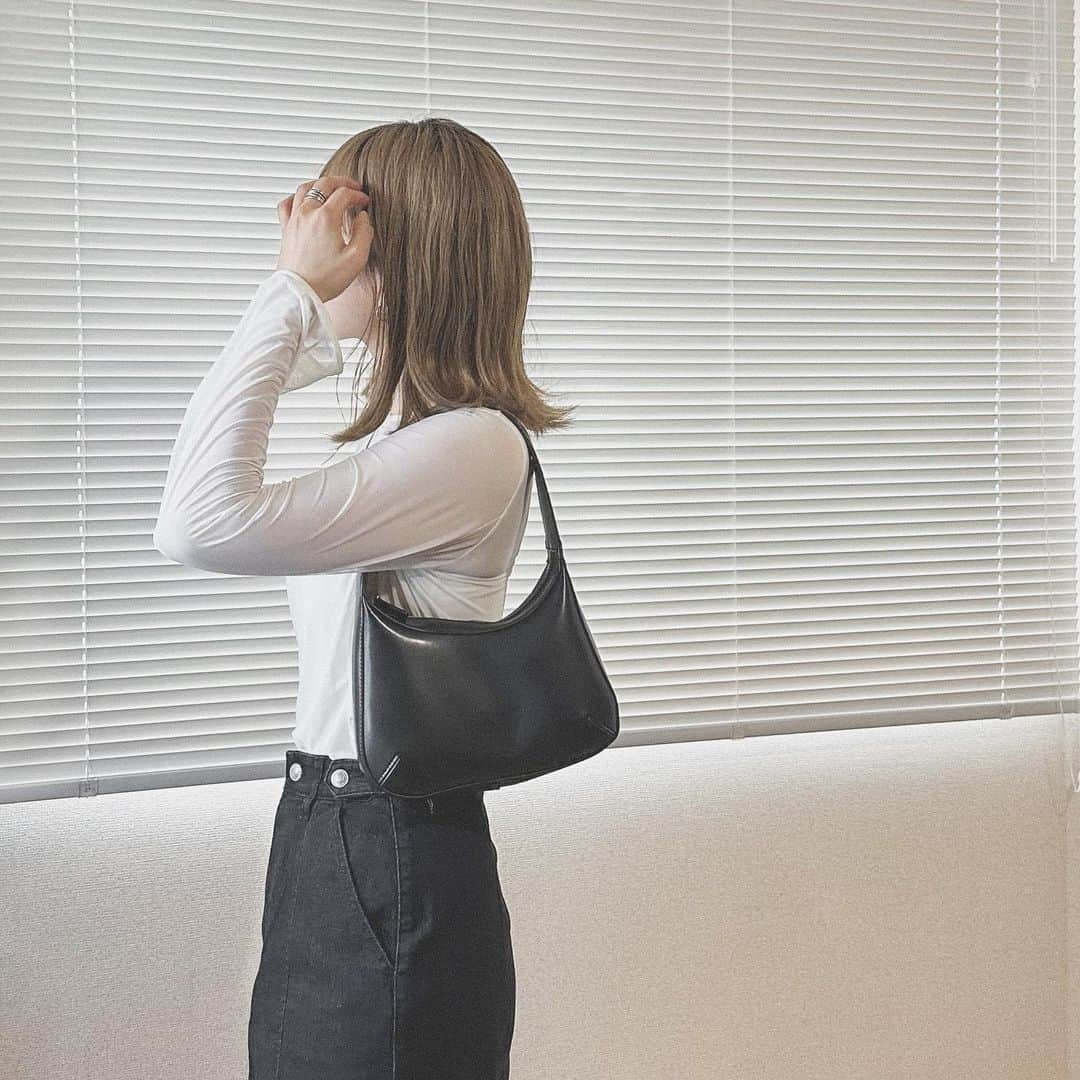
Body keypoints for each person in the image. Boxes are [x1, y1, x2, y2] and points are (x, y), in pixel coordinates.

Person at [153, 117, 572, 1080]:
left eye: (347, 223)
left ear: (402, 249)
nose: (318, 236)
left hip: (386, 846)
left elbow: (195, 521)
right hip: (336, 838)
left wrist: (293, 292)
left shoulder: (470, 447)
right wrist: (308, 309)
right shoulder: (420, 449)